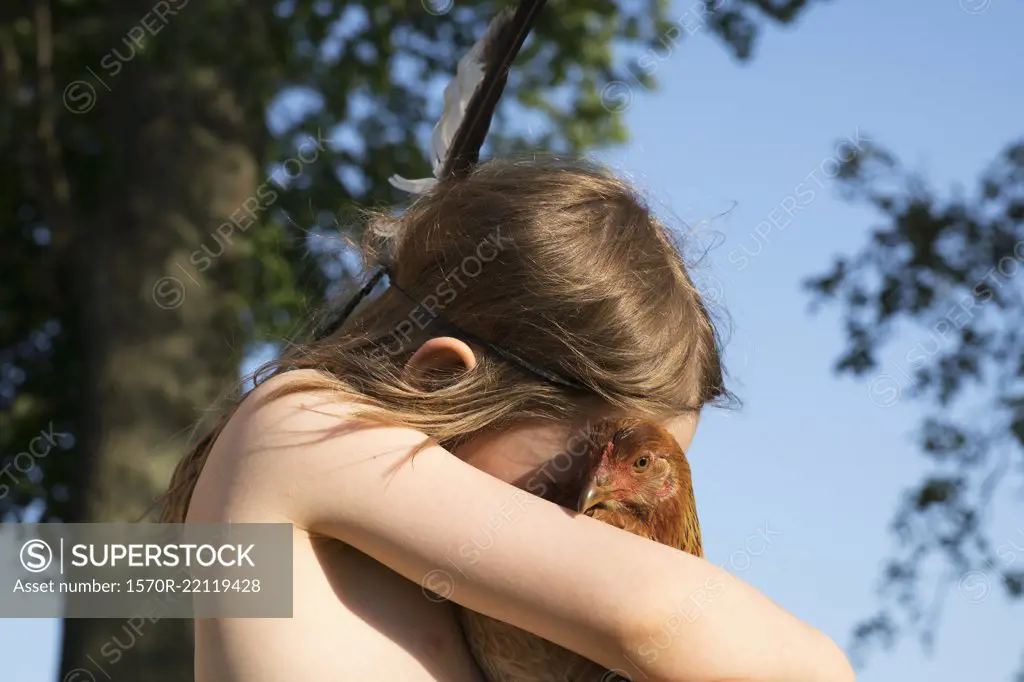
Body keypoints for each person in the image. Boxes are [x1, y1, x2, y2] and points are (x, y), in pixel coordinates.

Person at [161, 157, 856, 682]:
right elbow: (797, 666)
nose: (593, 535)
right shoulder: (303, 429)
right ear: (438, 379)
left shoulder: (438, 586)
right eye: (567, 482)